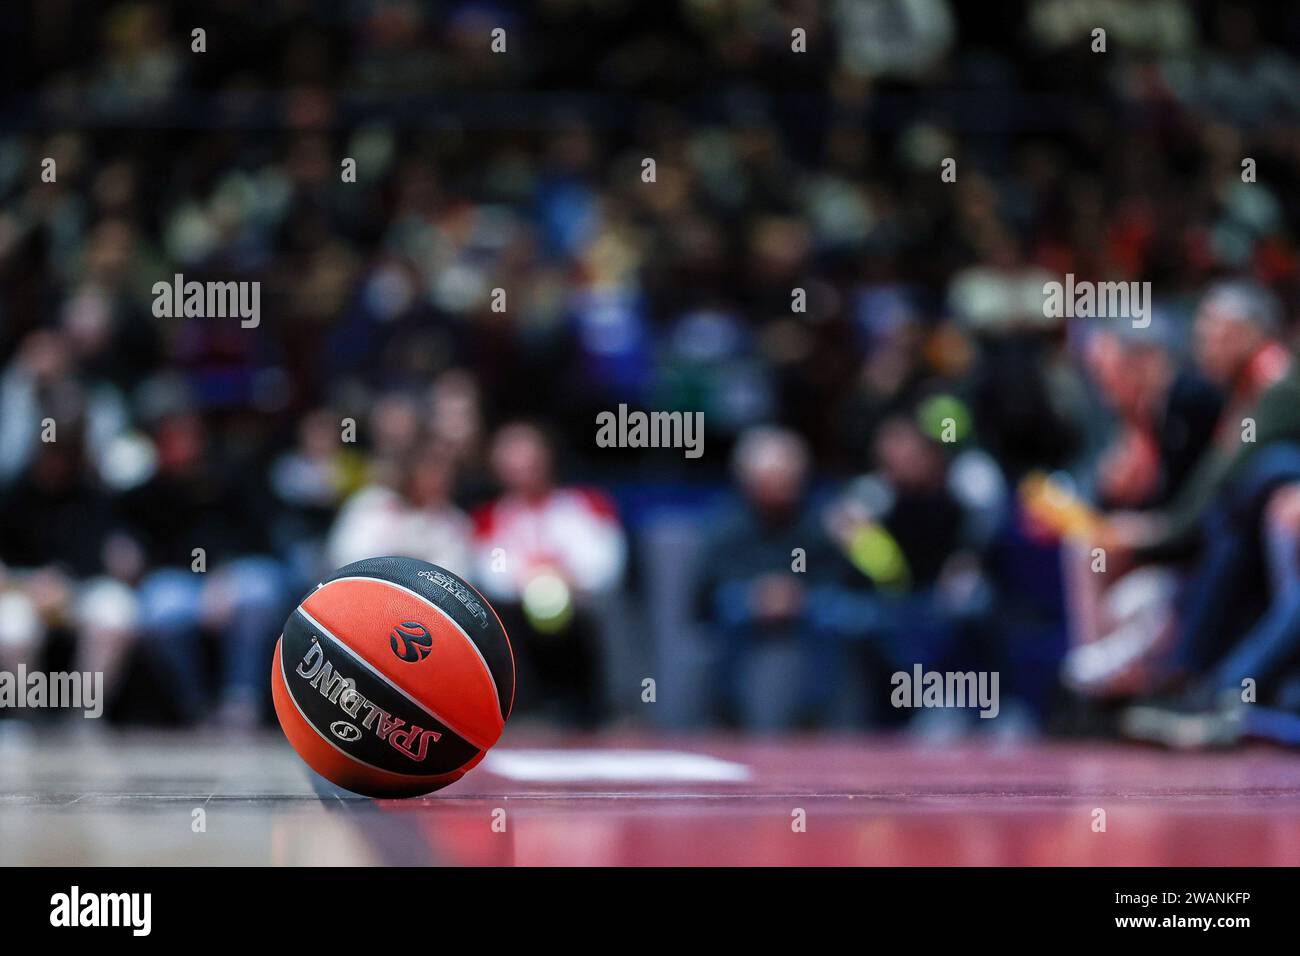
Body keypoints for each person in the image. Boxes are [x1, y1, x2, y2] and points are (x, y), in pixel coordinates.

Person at [472, 422, 628, 725]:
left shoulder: (586, 504)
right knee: (494, 615)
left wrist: (568, 578)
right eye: (509, 453)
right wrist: (530, 578)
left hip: (580, 605)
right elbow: (492, 572)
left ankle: (609, 711)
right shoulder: (490, 517)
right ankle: (523, 711)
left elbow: (606, 563)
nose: (520, 463)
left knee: (606, 611)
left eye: (527, 452)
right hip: (519, 609)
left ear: (547, 456)